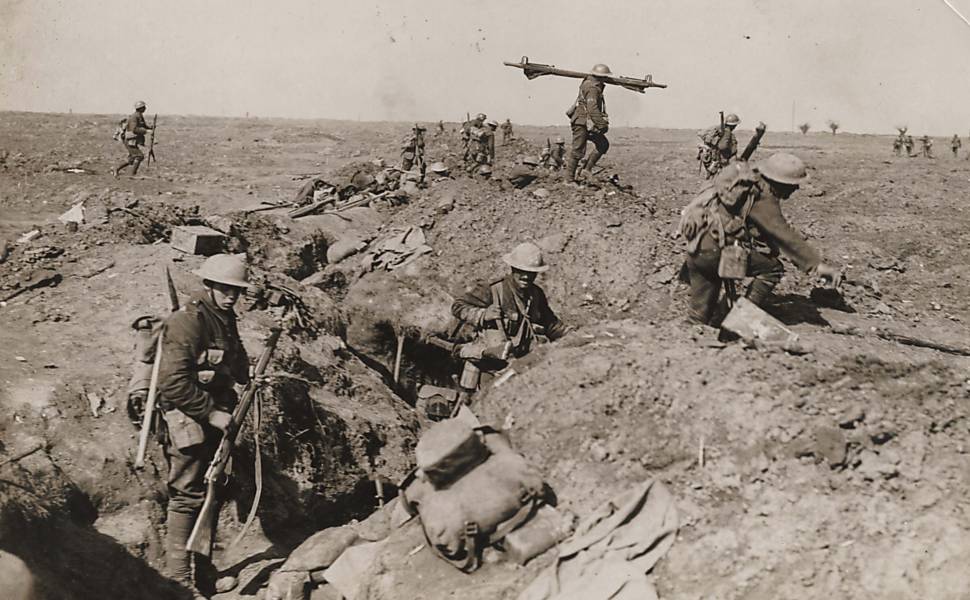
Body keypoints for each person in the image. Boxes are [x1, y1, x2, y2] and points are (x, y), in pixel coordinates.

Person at [156, 254, 253, 598]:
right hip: (188, 416)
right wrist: (210, 413)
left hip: (218, 415)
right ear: (209, 285)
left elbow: (235, 363)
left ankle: (204, 574)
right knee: (187, 496)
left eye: (236, 291)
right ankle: (180, 583)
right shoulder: (188, 322)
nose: (231, 296)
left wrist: (251, 374)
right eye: (225, 289)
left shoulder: (224, 318)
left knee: (213, 489)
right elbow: (173, 382)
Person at [680, 153, 842, 325]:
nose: (796, 189)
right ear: (781, 183)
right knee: (772, 269)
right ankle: (739, 321)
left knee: (699, 316)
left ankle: (691, 340)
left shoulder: (741, 184)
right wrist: (816, 264)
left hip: (698, 248)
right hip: (715, 251)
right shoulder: (761, 195)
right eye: (793, 185)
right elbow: (782, 233)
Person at [451, 242, 569, 402]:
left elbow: (551, 325)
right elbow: (458, 306)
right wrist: (482, 314)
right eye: (521, 271)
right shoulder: (492, 290)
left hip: (520, 367)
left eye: (531, 272)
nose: (526, 276)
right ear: (513, 269)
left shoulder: (536, 295)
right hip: (490, 367)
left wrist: (573, 336)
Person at [565, 64, 611, 183]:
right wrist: (601, 125)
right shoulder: (592, 88)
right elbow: (593, 109)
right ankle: (568, 180)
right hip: (582, 122)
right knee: (577, 150)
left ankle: (586, 170)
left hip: (585, 122)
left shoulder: (588, 83)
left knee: (603, 144)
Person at [113, 100, 153, 178]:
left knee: (132, 158)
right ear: (140, 108)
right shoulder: (134, 117)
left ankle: (116, 169)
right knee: (139, 156)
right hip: (129, 140)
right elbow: (134, 129)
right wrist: (146, 131)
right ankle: (132, 175)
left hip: (133, 140)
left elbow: (143, 126)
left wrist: (149, 127)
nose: (145, 108)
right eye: (144, 107)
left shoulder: (139, 115)